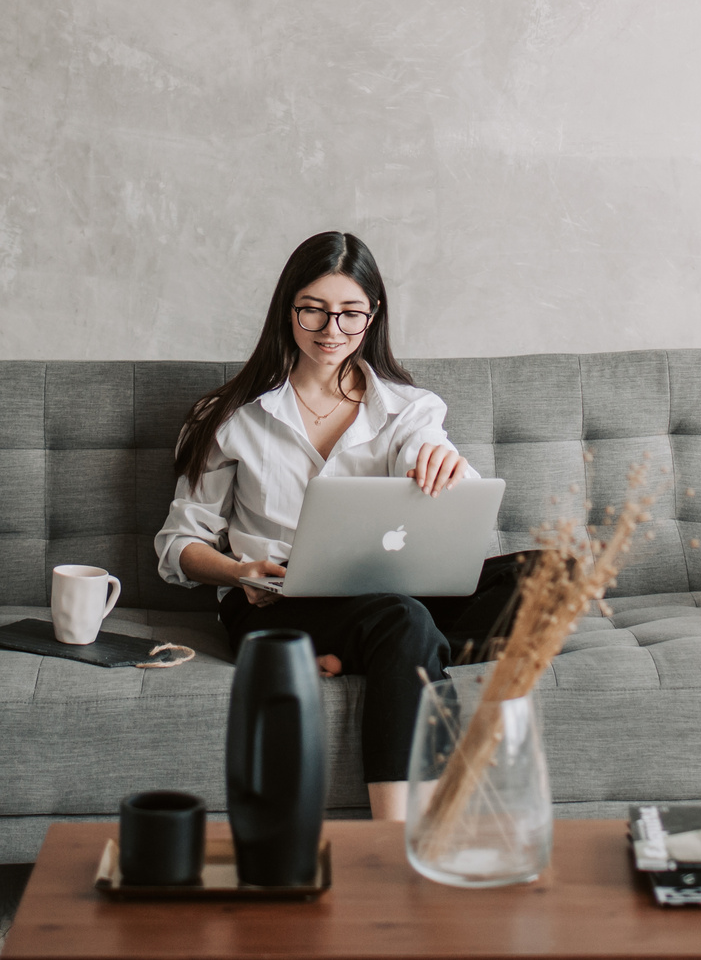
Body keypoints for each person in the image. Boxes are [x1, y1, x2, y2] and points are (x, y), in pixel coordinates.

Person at [154, 230, 521, 821]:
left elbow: (436, 460)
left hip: (385, 593)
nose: (332, 331)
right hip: (274, 600)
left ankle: (379, 652)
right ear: (287, 310)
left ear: (373, 317)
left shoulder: (409, 409)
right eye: (314, 311)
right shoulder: (229, 416)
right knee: (403, 619)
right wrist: (238, 569)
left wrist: (447, 466)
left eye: (351, 314)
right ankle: (398, 834)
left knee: (549, 575)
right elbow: (178, 545)